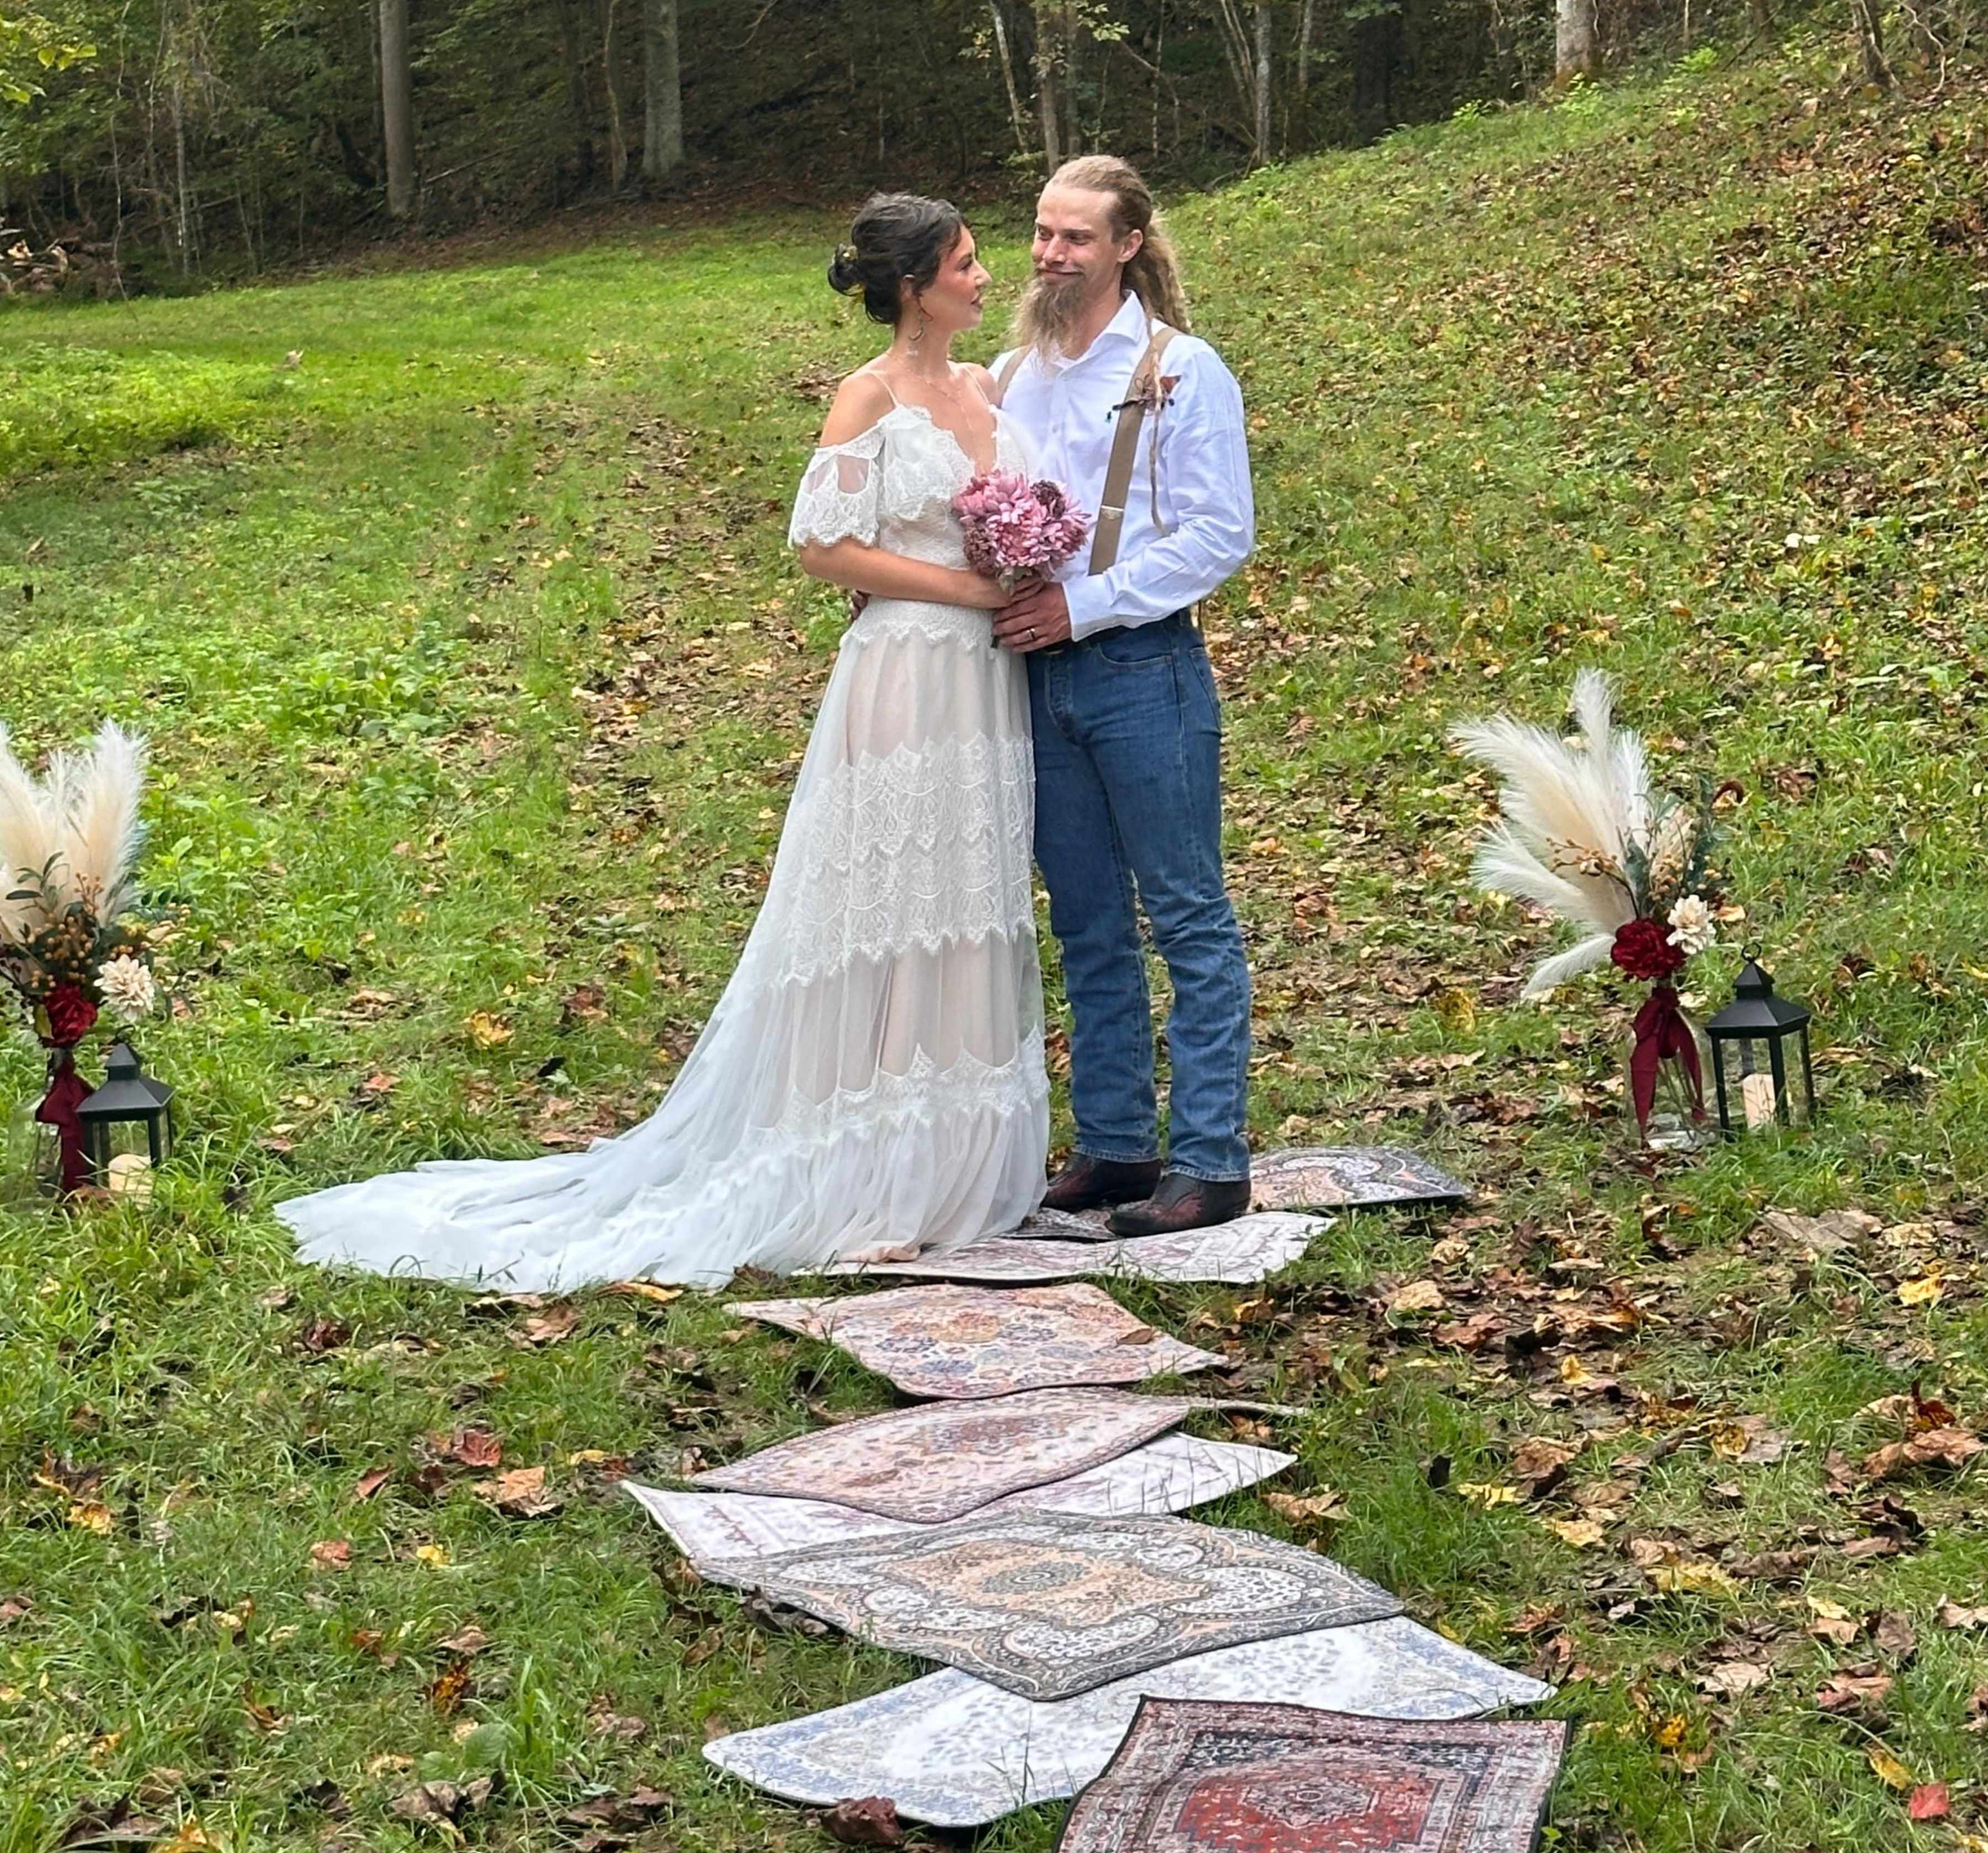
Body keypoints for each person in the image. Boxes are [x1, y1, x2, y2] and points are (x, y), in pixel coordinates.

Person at [278, 196, 1047, 1291]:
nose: (986, 276)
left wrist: (1034, 549)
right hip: (906, 674)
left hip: (987, 685)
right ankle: (867, 1165)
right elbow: (823, 546)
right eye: (967, 263)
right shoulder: (868, 397)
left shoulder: (988, 387)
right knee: (887, 903)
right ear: (917, 286)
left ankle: (953, 1157)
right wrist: (968, 587)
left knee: (965, 897)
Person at [993, 154, 1256, 1235]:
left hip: (1145, 671)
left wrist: (1085, 605)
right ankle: (1114, 1144)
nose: (1051, 254)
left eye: (1077, 238)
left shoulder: (1182, 369)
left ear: (1128, 246)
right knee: (1088, 921)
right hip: (1035, 676)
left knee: (1188, 915)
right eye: (1043, 232)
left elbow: (1219, 534)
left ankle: (1210, 1161)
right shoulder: (1012, 374)